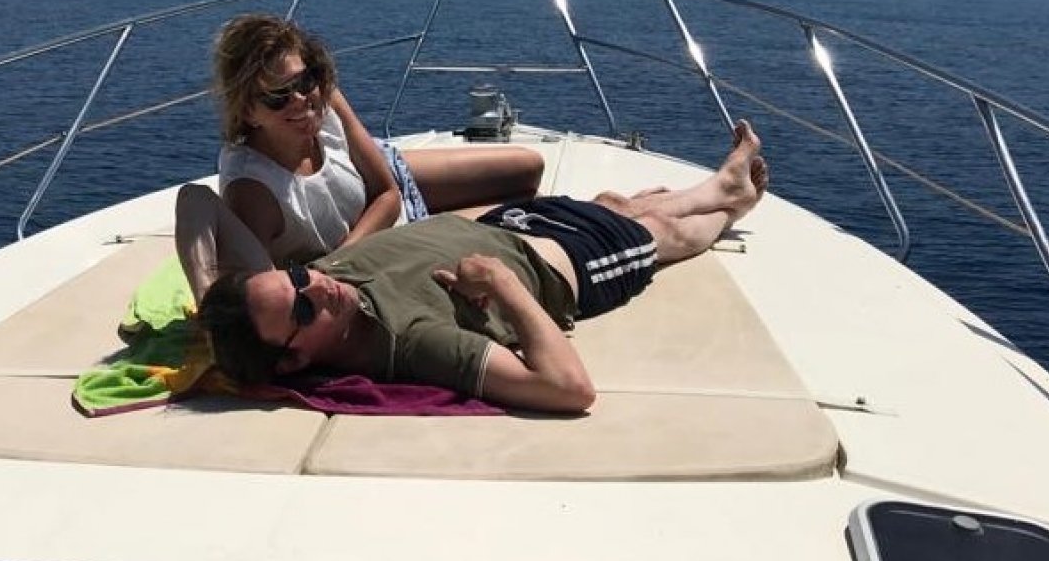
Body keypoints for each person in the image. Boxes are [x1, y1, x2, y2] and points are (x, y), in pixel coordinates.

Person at [193, 121, 769, 413]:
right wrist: (501, 283)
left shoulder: (324, 282)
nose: (316, 284)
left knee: (616, 204)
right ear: (293, 357)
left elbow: (194, 204)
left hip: (506, 223)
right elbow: (569, 389)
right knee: (661, 234)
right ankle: (731, 205)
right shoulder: (411, 340)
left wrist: (208, 308)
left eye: (297, 275)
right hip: (565, 266)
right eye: (302, 308)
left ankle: (713, 187)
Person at [185, 14, 544, 297]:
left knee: (529, 168)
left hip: (387, 178)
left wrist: (344, 253)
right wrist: (341, 264)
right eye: (277, 97)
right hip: (388, 235)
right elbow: (263, 288)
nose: (300, 101)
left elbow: (388, 192)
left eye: (303, 82)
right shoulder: (254, 190)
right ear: (248, 112)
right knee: (526, 213)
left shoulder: (323, 98)